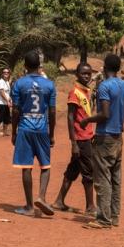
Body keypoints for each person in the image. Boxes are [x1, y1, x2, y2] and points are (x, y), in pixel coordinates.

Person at [80, 54, 124, 229]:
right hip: (118, 137)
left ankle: (103, 219)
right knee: (116, 178)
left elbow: (105, 114)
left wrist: (87, 121)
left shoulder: (104, 87)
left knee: (102, 178)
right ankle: (114, 217)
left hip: (105, 137)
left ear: (104, 66)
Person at [10, 51, 57, 217]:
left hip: (25, 128)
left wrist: (13, 132)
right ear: (39, 66)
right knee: (46, 166)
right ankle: (42, 197)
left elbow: (15, 111)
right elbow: (52, 112)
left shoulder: (19, 84)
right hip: (42, 129)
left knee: (26, 167)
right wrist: (51, 134)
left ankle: (29, 206)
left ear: (25, 66)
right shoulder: (49, 85)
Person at [51, 63, 96, 216]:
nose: (87, 76)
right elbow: (70, 118)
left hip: (86, 137)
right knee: (88, 173)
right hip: (81, 139)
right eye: (83, 73)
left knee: (72, 170)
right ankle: (90, 206)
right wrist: (74, 143)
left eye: (89, 73)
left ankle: (59, 201)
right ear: (77, 74)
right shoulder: (75, 92)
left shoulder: (86, 91)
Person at [0, 68, 12, 137]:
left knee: (7, 117)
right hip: (0, 102)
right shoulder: (0, 82)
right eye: (4, 72)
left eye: (7, 72)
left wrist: (9, 99)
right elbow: (1, 92)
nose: (6, 73)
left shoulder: (7, 82)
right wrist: (7, 100)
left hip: (6, 102)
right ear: (2, 74)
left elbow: (7, 93)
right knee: (0, 116)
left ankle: (5, 132)